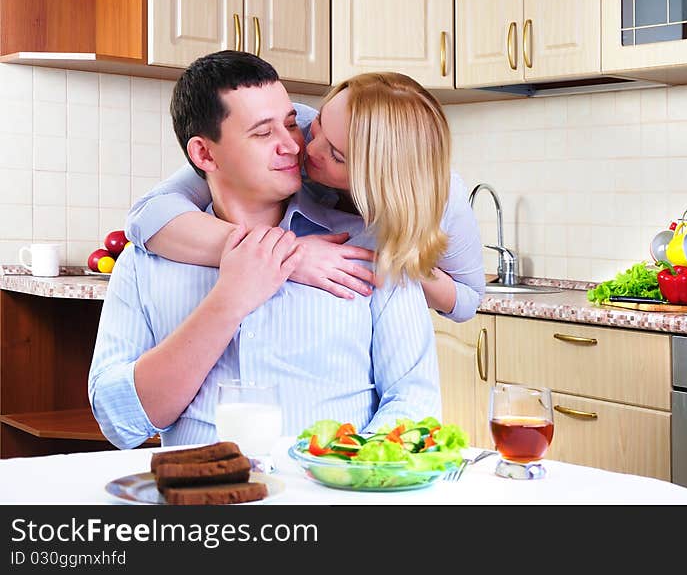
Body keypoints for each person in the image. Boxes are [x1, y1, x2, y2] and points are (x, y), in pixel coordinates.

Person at [88, 51, 440, 449]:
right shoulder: (144, 262)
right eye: (262, 133)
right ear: (204, 154)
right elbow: (121, 422)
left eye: (291, 123)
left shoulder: (372, 250)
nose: (292, 146)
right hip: (201, 501)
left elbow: (416, 404)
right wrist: (230, 299)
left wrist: (343, 474)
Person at [125, 74, 485, 322]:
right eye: (318, 126)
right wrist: (286, 256)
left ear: (380, 182)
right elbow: (148, 215)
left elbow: (467, 300)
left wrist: (403, 262)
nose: (307, 148)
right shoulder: (291, 131)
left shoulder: (442, 199)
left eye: (338, 156)